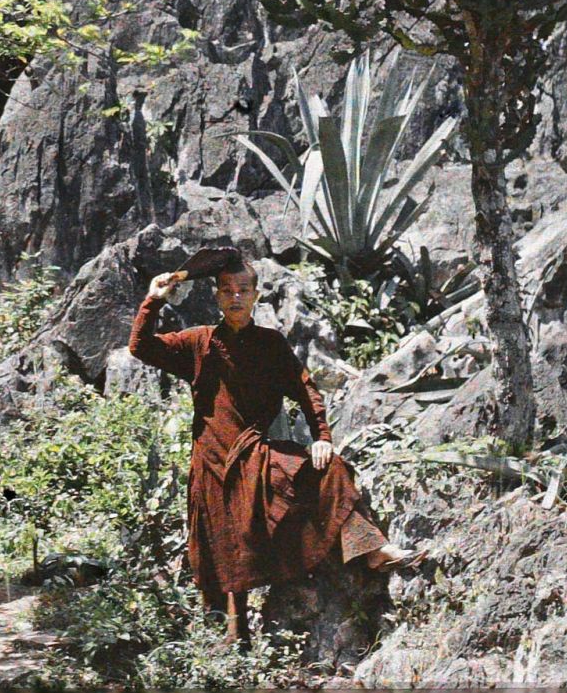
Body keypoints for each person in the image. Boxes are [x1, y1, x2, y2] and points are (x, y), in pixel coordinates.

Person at [129, 247, 424, 644]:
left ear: (255, 295)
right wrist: (153, 299)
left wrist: (321, 437)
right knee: (226, 550)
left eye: (243, 290)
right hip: (212, 463)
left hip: (255, 454)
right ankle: (234, 645)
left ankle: (371, 548)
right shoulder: (198, 343)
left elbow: (305, 389)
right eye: (227, 290)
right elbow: (141, 348)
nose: (235, 297)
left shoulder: (270, 344)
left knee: (329, 469)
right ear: (217, 295)